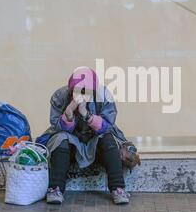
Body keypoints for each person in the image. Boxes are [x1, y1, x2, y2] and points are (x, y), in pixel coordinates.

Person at [36, 67, 130, 205]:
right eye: (78, 91)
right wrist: (68, 114)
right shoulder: (59, 97)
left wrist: (87, 115)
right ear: (71, 89)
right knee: (60, 139)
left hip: (95, 140)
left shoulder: (104, 96)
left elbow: (107, 125)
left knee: (108, 139)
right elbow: (56, 127)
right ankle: (55, 188)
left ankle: (118, 188)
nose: (83, 95)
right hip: (71, 141)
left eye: (87, 92)